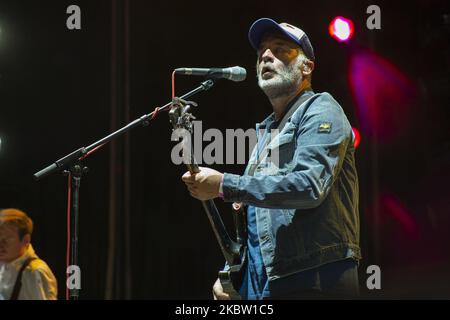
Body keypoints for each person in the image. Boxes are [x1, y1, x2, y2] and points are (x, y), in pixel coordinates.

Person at [182, 18, 360, 299]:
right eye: (262, 51)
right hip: (267, 282)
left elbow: (309, 186)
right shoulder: (266, 134)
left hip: (314, 277)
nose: (266, 55)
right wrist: (235, 276)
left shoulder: (321, 108)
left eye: (280, 49)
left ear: (306, 67)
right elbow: (257, 218)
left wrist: (224, 184)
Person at [0, 208, 57, 300]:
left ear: (26, 240)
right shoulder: (4, 265)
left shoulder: (34, 272)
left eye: (7, 239)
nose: (1, 244)